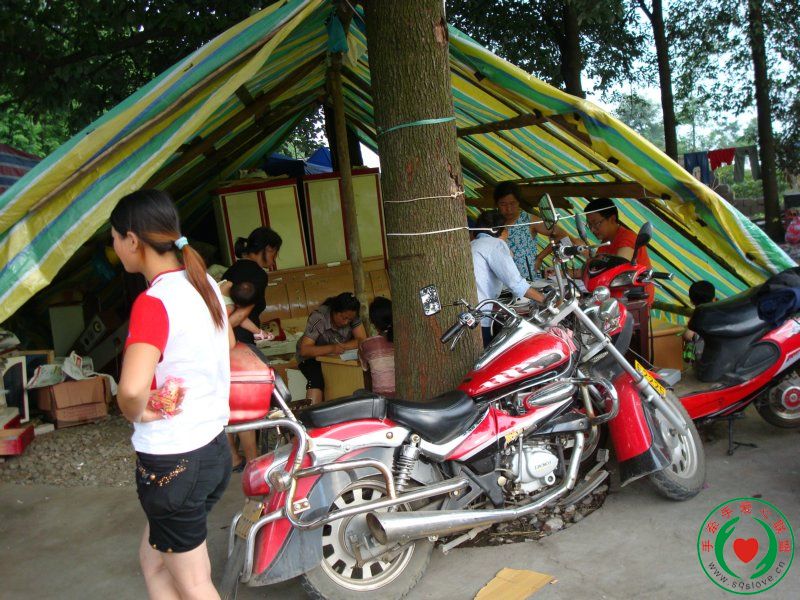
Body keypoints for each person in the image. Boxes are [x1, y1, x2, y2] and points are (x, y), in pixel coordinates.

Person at [111, 189, 231, 600]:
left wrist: (138, 411)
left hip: (173, 462)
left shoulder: (154, 301)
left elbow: (131, 389)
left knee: (195, 584)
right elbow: (228, 342)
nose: (115, 248)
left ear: (132, 240)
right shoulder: (204, 283)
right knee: (155, 563)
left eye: (114, 239)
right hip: (212, 450)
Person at [222, 227, 282, 471]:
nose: (274, 258)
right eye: (275, 252)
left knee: (228, 402)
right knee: (246, 401)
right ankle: (253, 461)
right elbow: (237, 316)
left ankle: (232, 457)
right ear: (268, 249)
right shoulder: (257, 274)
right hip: (238, 343)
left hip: (220, 345)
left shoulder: (232, 269)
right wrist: (253, 332)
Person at [472, 210, 545, 347]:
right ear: (498, 230)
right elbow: (517, 285)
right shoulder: (495, 244)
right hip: (480, 315)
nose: (508, 232)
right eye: (505, 228)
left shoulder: (473, 244)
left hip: (469, 312)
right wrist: (544, 300)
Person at [493, 181, 577, 278]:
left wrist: (540, 258)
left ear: (519, 202)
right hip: (499, 280)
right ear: (496, 204)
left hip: (527, 279)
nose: (509, 209)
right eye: (503, 204)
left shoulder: (529, 220)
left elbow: (561, 235)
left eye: (512, 203)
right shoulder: (491, 222)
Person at [297, 292, 367, 405]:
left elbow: (362, 339)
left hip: (338, 356)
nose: (346, 322)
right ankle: (311, 413)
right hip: (311, 357)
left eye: (349, 320)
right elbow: (305, 350)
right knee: (316, 379)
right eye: (344, 318)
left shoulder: (352, 316)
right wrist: (332, 348)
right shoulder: (319, 317)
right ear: (334, 311)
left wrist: (343, 346)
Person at [584, 197, 655, 305]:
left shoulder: (627, 238)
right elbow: (594, 270)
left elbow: (619, 267)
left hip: (634, 300)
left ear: (612, 219)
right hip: (614, 297)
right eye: (589, 225)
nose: (592, 229)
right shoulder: (605, 243)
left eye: (596, 224)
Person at [359, 297, 395, 397]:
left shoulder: (367, 344)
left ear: (373, 322)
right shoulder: (404, 339)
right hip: (405, 398)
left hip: (381, 399)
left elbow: (364, 367)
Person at [683, 280, 716, 363]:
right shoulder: (720, 313)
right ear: (713, 299)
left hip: (703, 361)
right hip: (720, 359)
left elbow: (688, 335)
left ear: (691, 301)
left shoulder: (698, 316)